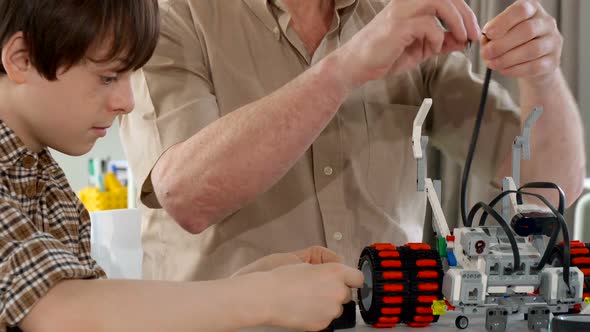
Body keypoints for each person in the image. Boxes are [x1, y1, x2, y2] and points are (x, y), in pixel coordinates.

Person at [121, 0, 585, 282]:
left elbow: (544, 191)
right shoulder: (170, 17)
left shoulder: (396, 16)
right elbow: (186, 196)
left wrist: (542, 75)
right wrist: (343, 71)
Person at [0, 1, 364, 331]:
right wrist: (259, 297)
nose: (127, 102)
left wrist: (242, 286)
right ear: (22, 59)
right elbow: (58, 311)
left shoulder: (41, 177)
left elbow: (103, 311)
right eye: (108, 77)